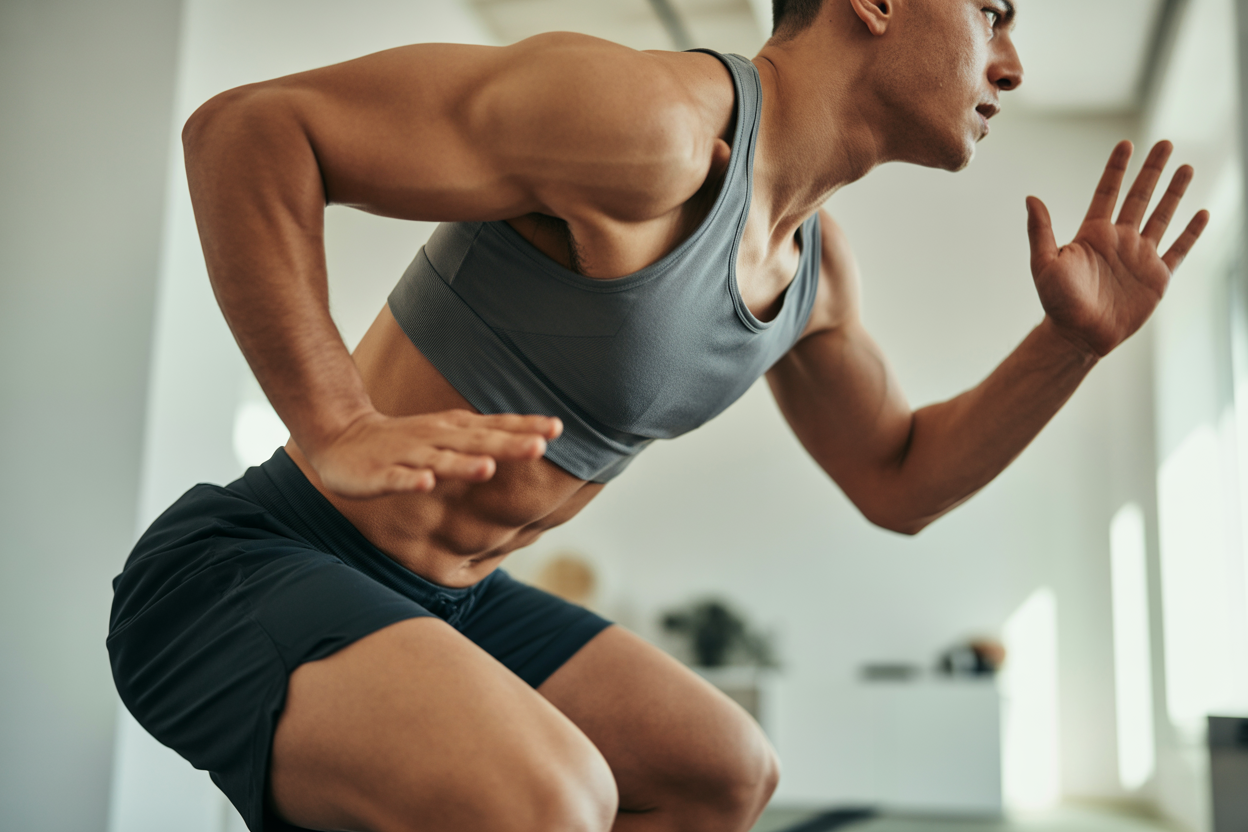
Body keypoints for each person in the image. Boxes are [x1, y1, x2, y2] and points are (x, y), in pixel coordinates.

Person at [107, 0, 1209, 830]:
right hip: (246, 566)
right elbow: (250, 134)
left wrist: (1067, 345)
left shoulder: (813, 274)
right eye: (991, 13)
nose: (1010, 64)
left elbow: (899, 481)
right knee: (553, 794)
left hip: (454, 598)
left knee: (723, 771)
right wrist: (335, 419)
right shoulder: (649, 125)